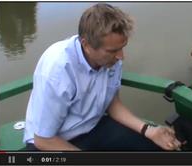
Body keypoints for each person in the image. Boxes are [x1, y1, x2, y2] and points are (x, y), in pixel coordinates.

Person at [23, 3, 182, 151]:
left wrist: (149, 131)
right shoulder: (58, 69)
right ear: (86, 45)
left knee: (153, 148)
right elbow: (43, 139)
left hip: (93, 127)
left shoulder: (111, 60)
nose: (121, 56)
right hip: (51, 142)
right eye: (112, 51)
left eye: (122, 48)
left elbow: (113, 105)